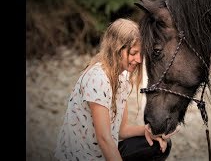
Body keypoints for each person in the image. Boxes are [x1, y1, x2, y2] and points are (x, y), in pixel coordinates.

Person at [54, 18, 174, 161]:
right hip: (81, 157)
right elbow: (104, 138)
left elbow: (122, 131)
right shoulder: (97, 79)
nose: (139, 59)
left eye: (140, 53)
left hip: (103, 152)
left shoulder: (121, 78)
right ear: (117, 49)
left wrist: (149, 131)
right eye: (133, 53)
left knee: (157, 145)